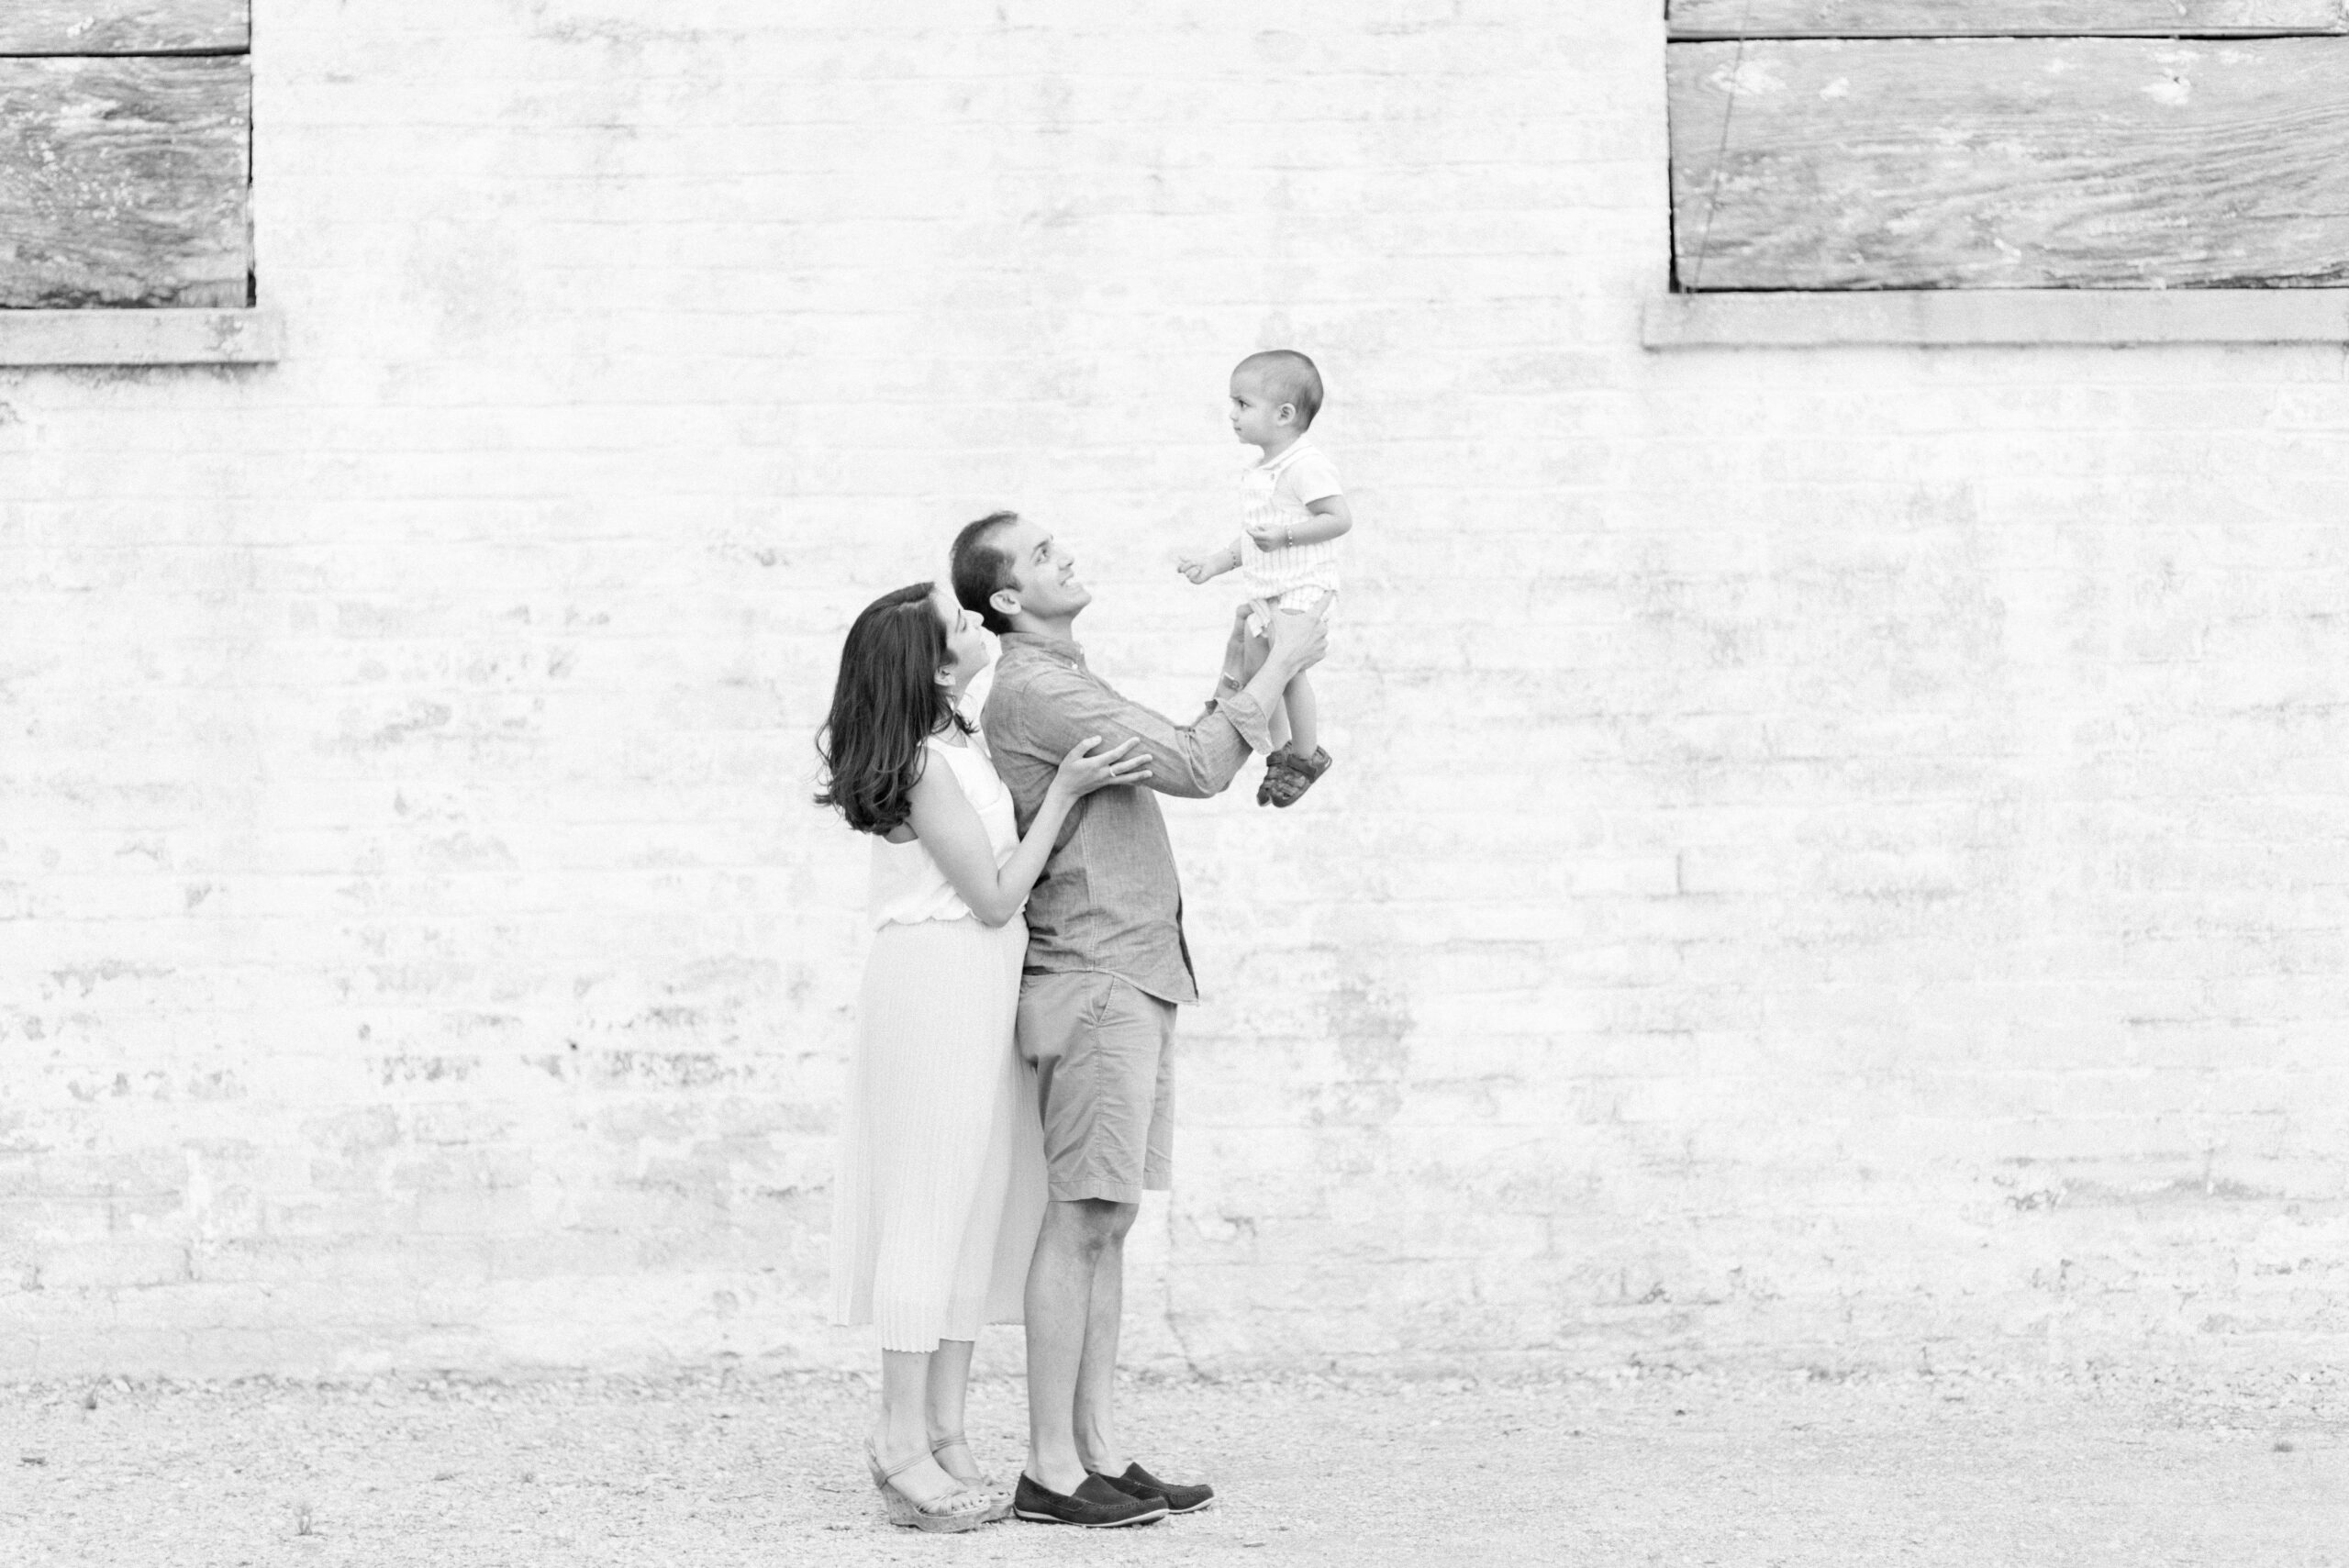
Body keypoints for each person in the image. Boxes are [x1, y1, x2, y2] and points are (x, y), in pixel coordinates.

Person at [950, 511, 1330, 1528]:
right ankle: (1048, 1467)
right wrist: (1282, 659)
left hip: (1130, 970)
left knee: (1107, 1220)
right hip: (1095, 974)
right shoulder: (1041, 690)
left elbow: (1196, 751)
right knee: (1081, 1214)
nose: (1065, 553)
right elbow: (1200, 767)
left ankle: (1098, 1450)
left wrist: (1243, 670)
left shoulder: (1068, 678)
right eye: (1040, 555)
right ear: (1007, 600)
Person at [817, 581, 1151, 1533]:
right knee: (928, 1206)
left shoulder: (959, 740)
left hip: (979, 987)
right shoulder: (923, 766)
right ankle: (897, 1437)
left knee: (973, 1206)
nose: (976, 625)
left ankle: (947, 1428)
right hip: (935, 982)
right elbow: (996, 896)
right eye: (960, 624)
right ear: (932, 666)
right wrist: (1068, 795)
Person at [1176, 348, 1353, 807]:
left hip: (1304, 585)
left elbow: (1339, 518)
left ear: (1284, 414)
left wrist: (1286, 536)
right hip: (1270, 587)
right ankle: (1280, 752)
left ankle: (1306, 757)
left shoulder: (1305, 465)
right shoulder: (1260, 471)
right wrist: (1215, 563)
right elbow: (1254, 538)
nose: (1232, 414)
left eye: (1243, 404)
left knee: (1287, 668)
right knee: (1260, 670)